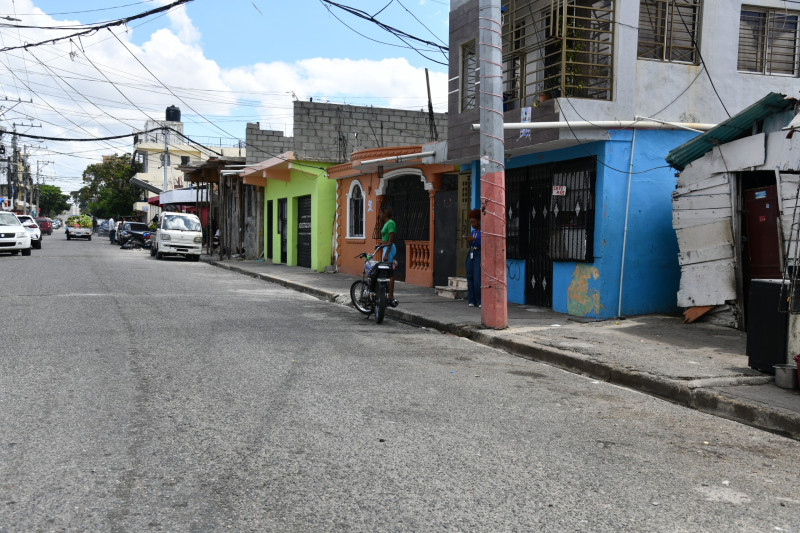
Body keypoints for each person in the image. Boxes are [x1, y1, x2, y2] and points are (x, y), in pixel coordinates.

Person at [378, 204, 398, 307]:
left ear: (385, 214)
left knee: (389, 273)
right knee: (385, 271)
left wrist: (386, 253)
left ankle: (390, 296)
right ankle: (385, 294)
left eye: (381, 213)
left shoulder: (390, 223)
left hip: (389, 249)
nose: (379, 215)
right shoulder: (386, 223)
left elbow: (391, 239)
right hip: (386, 248)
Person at [464, 209, 481, 307]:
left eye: (473, 222)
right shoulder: (473, 231)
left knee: (477, 278)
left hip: (478, 254)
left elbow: (483, 243)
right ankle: (471, 300)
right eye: (470, 222)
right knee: (469, 276)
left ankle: (479, 301)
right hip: (471, 253)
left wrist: (474, 240)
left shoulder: (482, 232)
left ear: (478, 221)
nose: (472, 224)